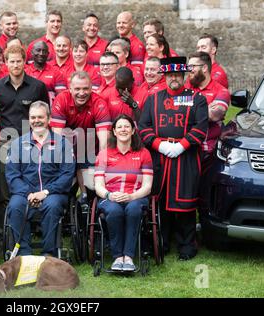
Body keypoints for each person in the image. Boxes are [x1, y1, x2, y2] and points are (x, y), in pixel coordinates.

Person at [138, 56, 208, 261]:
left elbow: (200, 128)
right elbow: (143, 127)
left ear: (184, 75)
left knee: (185, 203)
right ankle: (161, 242)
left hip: (186, 157)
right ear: (165, 77)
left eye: (177, 75)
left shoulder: (197, 98)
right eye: (170, 75)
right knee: (159, 201)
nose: (174, 79)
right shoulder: (154, 99)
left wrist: (181, 146)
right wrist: (160, 145)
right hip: (159, 158)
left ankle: (187, 244)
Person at [0, 45, 49, 232]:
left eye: (19, 61)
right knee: (6, 188)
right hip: (7, 143)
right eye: (11, 61)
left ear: (25, 62)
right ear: (5, 63)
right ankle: (5, 229)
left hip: (33, 142)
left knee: (33, 183)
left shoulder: (38, 86)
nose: (15, 65)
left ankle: (33, 226)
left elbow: (44, 114)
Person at [6, 101, 75, 256]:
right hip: (26, 193)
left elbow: (67, 175)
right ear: (28, 119)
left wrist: (45, 192)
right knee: (15, 205)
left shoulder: (63, 144)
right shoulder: (17, 144)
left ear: (49, 119)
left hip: (53, 193)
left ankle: (48, 254)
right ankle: (24, 255)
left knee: (52, 206)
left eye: (40, 117)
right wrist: (29, 193)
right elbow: (12, 175)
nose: (36, 121)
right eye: (33, 117)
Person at [94, 114, 153, 271]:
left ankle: (128, 257)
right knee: (113, 211)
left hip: (136, 196)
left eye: (127, 126)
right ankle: (117, 257)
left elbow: (147, 186)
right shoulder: (104, 154)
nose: (123, 130)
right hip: (111, 197)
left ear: (133, 130)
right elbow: (98, 185)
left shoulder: (143, 154)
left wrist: (131, 196)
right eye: (119, 127)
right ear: (114, 131)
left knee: (133, 210)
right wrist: (109, 195)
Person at [185, 51, 230, 232]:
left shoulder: (221, 91)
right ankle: (186, 231)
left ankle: (206, 231)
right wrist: (203, 109)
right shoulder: (186, 88)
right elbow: (176, 111)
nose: (189, 72)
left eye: (192, 68)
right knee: (187, 193)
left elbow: (214, 114)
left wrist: (190, 108)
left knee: (206, 195)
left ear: (204, 68)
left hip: (209, 153)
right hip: (188, 149)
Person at [51, 71, 112, 203]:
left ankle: (88, 200)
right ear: (70, 88)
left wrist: (100, 164)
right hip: (66, 148)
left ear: (91, 88)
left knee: (91, 188)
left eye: (85, 88)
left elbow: (104, 139)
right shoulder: (62, 99)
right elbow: (56, 135)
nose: (82, 93)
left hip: (90, 150)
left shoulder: (99, 102)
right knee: (64, 186)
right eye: (77, 89)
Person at [25, 41, 67, 105]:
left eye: (44, 51)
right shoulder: (25, 73)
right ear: (32, 52)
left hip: (49, 111)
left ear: (48, 54)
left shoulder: (57, 73)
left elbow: (61, 98)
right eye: (38, 50)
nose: (41, 53)